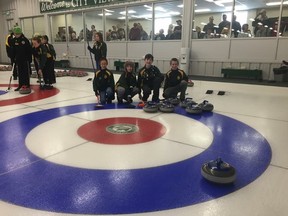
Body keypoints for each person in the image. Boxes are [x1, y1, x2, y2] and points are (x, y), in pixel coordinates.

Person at [10, 26, 32, 92]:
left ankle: (27, 85)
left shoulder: (25, 40)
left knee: (26, 72)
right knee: (20, 73)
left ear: (19, 33)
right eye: (15, 34)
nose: (15, 35)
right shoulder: (13, 40)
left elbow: (29, 50)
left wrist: (29, 59)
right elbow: (13, 50)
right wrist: (13, 58)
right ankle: (20, 85)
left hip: (25, 60)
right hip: (18, 59)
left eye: (16, 34)